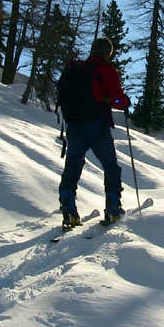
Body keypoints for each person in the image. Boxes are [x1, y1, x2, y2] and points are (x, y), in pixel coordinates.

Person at [58, 37, 130, 228]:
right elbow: (117, 99)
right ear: (107, 53)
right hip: (96, 125)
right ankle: (113, 208)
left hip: (74, 126)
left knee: (72, 167)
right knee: (110, 166)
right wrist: (122, 102)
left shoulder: (77, 69)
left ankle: (68, 209)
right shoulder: (106, 69)